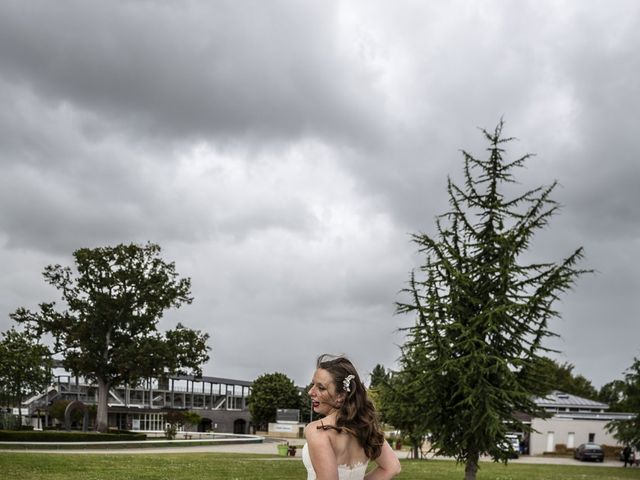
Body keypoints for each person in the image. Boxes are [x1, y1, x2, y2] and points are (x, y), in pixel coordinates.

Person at [303, 354, 401, 480]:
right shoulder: (366, 427)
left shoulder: (318, 430)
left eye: (321, 388)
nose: (311, 392)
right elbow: (392, 467)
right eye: (313, 384)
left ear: (341, 396)